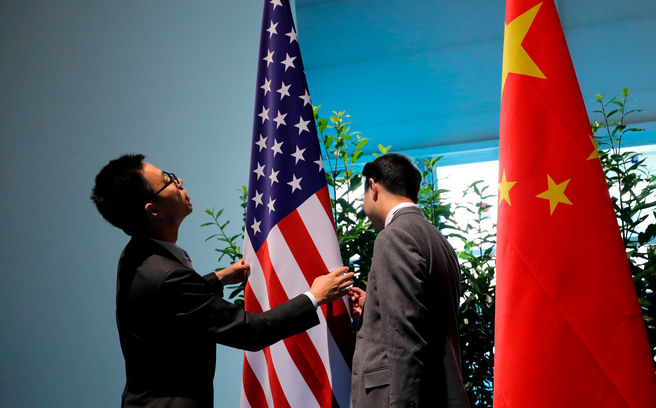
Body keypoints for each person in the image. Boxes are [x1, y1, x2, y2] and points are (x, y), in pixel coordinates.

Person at [91, 154, 353, 407]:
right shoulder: (169, 277)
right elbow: (250, 331)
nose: (178, 181)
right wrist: (315, 296)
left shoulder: (137, 254)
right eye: (167, 180)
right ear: (154, 210)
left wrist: (218, 279)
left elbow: (165, 307)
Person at [348, 153, 469, 407]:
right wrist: (374, 305)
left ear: (373, 187)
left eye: (363, 194)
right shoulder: (438, 240)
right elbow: (424, 316)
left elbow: (405, 341)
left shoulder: (392, 237)